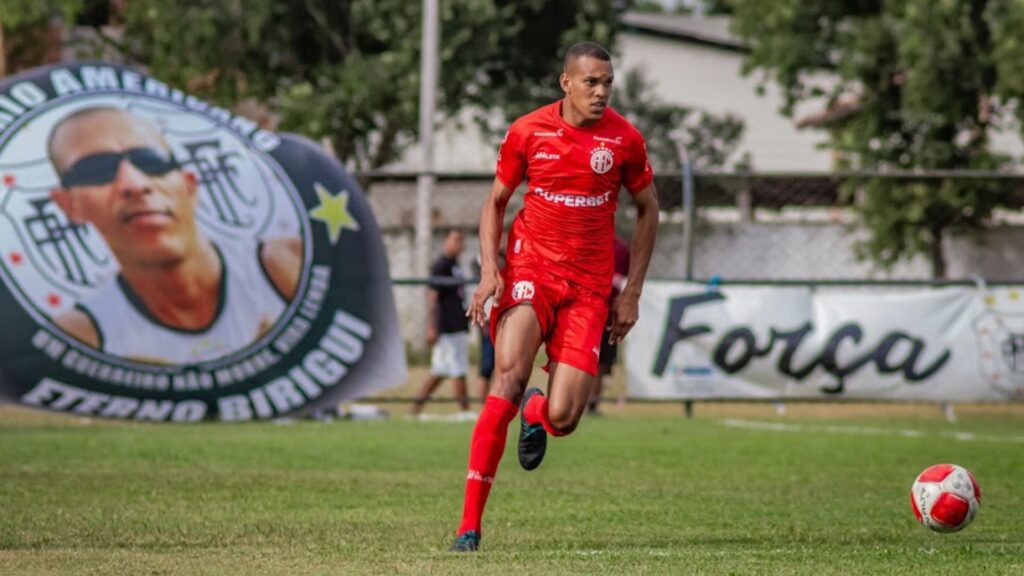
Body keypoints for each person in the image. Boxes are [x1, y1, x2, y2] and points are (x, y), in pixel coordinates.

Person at [450, 41, 659, 552]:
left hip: (588, 288)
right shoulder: (528, 131)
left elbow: (649, 211)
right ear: (566, 82)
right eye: (591, 82)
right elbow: (494, 204)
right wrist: (489, 270)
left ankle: (539, 411)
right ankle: (469, 527)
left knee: (565, 418)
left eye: (607, 82)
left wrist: (630, 292)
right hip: (531, 270)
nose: (601, 91)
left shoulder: (625, 140)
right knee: (508, 375)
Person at [47, 106, 302, 365]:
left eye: (150, 161)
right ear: (68, 205)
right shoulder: (80, 335)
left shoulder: (287, 266)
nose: (135, 184)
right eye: (96, 170)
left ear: (189, 185)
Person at [410, 229, 473, 418]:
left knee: (440, 371)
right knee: (457, 368)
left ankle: (414, 409)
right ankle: (465, 412)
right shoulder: (441, 265)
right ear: (445, 241)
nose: (459, 244)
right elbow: (433, 297)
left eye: (461, 240)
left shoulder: (456, 266)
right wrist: (432, 326)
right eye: (455, 239)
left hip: (458, 324)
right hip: (447, 326)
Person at [590, 235, 631, 415]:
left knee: (603, 363)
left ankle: (593, 402)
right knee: (584, 359)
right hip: (587, 310)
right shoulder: (588, 241)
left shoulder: (621, 249)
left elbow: (627, 278)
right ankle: (579, 400)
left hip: (609, 314)